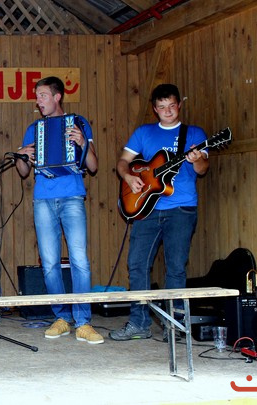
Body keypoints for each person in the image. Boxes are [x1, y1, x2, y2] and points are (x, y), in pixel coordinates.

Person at [110, 84, 209, 341]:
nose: (168, 111)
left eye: (172, 106)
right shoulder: (144, 132)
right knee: (137, 264)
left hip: (182, 208)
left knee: (175, 267)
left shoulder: (194, 133)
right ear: (155, 109)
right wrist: (129, 178)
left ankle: (173, 325)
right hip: (147, 209)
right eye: (162, 107)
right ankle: (139, 323)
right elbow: (123, 161)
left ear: (179, 105)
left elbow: (202, 169)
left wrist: (197, 159)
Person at [15, 76, 103, 345]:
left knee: (79, 260)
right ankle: (62, 317)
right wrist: (21, 156)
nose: (38, 101)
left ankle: (83, 321)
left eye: (42, 95)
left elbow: (93, 166)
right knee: (50, 262)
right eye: (37, 96)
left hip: (72, 196)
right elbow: (23, 171)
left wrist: (82, 143)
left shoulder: (79, 122)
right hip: (43, 198)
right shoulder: (34, 129)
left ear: (57, 97)